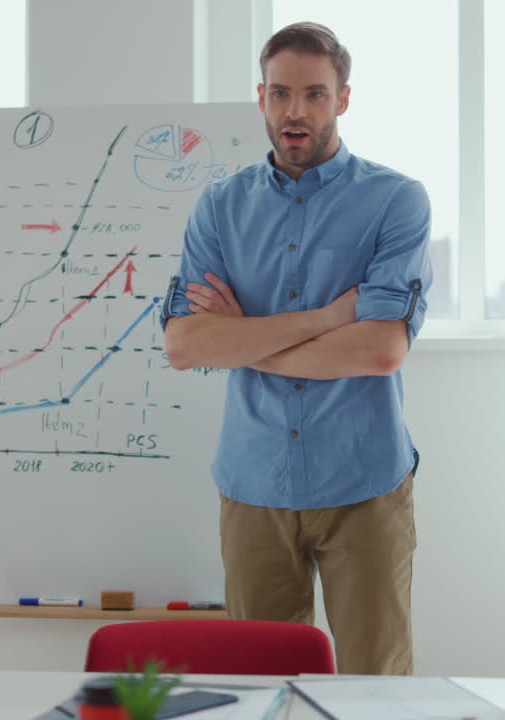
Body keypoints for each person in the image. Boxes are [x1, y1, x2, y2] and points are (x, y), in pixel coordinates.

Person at [161, 21, 433, 675]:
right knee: (261, 688)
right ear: (261, 97)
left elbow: (379, 351)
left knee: (377, 688)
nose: (295, 111)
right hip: (252, 483)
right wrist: (328, 317)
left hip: (364, 482)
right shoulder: (219, 207)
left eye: (314, 94)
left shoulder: (396, 201)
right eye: (280, 93)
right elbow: (185, 344)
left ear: (343, 98)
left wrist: (241, 339)